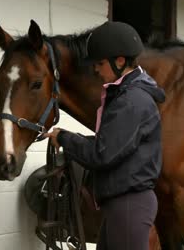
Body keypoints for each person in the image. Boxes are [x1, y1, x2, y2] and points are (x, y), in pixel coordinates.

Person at [44, 21, 165, 250]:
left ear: (119, 61)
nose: (96, 70)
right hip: (122, 204)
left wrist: (65, 140)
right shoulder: (128, 97)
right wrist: (66, 137)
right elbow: (111, 146)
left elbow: (103, 153)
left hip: (128, 205)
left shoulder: (131, 101)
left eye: (100, 63)